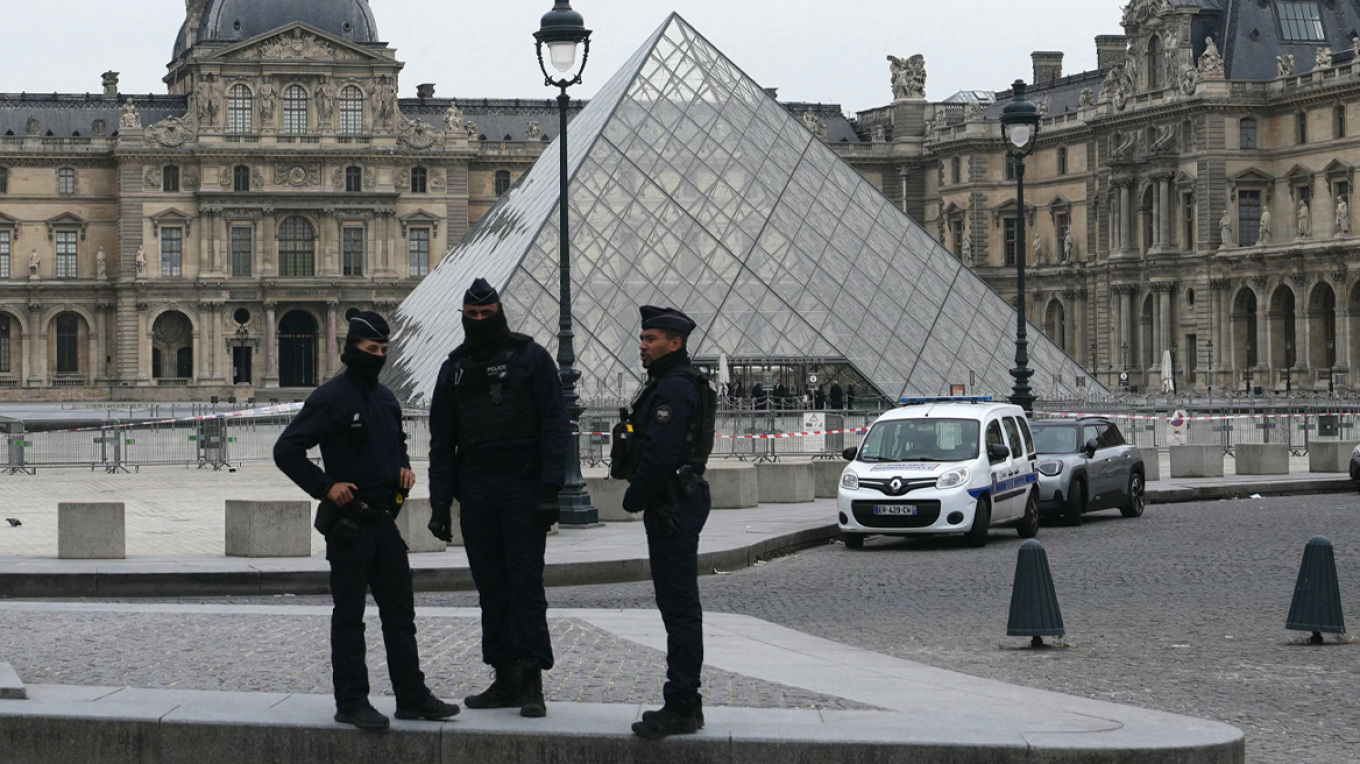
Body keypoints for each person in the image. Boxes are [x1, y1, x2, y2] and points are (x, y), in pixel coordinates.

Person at [274, 311, 459, 731]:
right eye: (369, 349)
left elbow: (395, 444)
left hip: (384, 522)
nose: (376, 355)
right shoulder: (330, 397)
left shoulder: (388, 398)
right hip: (350, 525)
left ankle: (411, 696)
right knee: (350, 616)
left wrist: (404, 468)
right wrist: (325, 486)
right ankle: (352, 700)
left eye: (382, 350)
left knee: (400, 614)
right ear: (350, 349)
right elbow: (286, 450)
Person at [427, 278, 570, 719]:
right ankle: (504, 675)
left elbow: (554, 425)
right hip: (477, 487)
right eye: (472, 317)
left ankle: (532, 679)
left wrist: (550, 491)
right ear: (464, 318)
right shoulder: (453, 368)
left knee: (524, 584)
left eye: (487, 316)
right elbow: (441, 441)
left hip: (523, 488)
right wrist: (439, 503)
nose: (480, 322)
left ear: (500, 313)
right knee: (491, 586)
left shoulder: (532, 358)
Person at [612, 306, 716, 738]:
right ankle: (686, 701)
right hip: (677, 500)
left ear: (675, 343)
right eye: (642, 338)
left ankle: (682, 704)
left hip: (672, 503)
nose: (642, 345)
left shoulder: (673, 389)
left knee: (678, 608)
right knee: (678, 606)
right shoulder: (672, 383)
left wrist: (633, 498)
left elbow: (660, 453)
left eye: (651, 338)